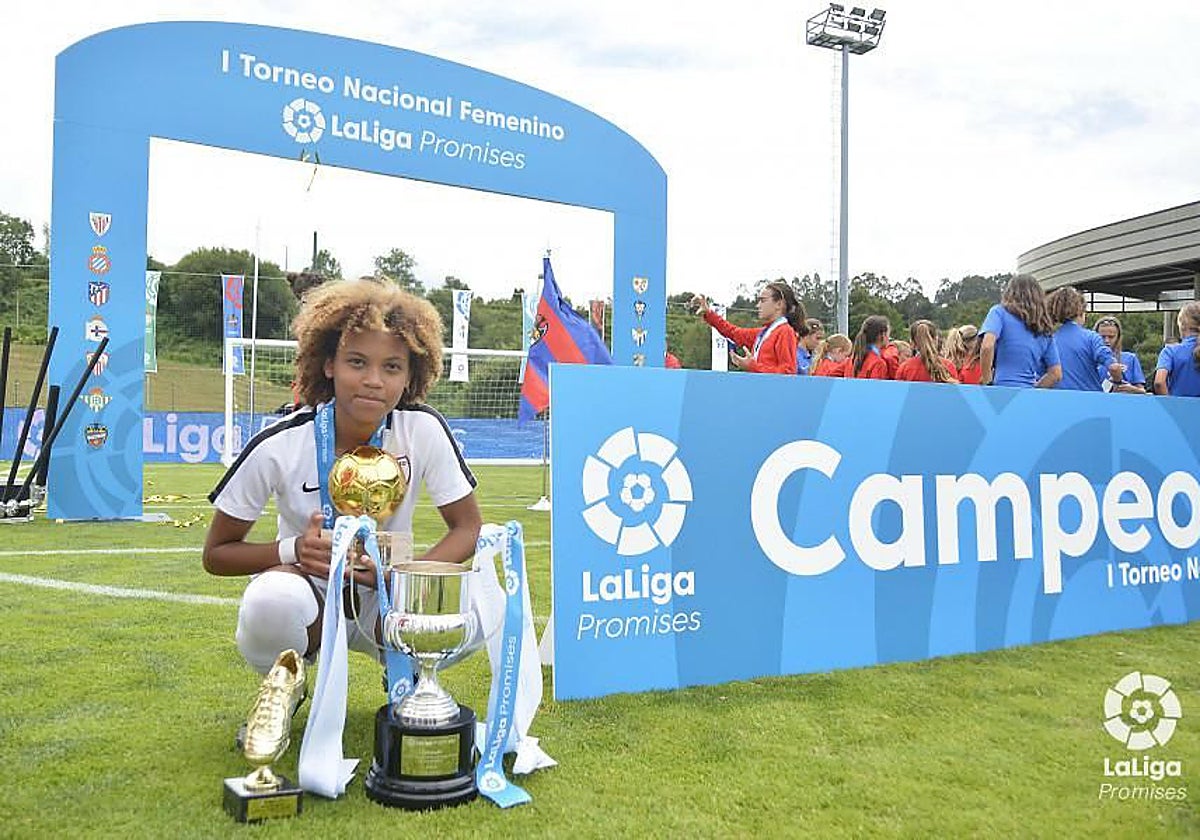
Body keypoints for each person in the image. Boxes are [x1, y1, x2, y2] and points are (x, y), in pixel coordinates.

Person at [203, 277, 483, 680]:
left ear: (409, 376)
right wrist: (294, 550)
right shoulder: (279, 443)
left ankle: (411, 676)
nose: (373, 380)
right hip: (309, 592)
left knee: (482, 600)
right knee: (270, 601)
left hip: (388, 595)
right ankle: (285, 684)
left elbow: (467, 527)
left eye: (391, 367)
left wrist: (400, 577)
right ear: (329, 363)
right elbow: (217, 554)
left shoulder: (421, 429)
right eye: (357, 362)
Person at [692, 282, 807, 375]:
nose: (758, 305)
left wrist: (752, 366)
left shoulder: (784, 331)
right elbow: (733, 332)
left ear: (779, 304)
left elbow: (788, 373)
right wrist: (709, 313)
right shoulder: (764, 333)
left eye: (763, 300)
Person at [979, 275, 1062, 388]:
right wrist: (1035, 391)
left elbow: (987, 346)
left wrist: (987, 382)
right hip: (1027, 396)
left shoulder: (999, 313)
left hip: (1000, 390)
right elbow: (1056, 373)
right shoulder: (1044, 326)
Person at [1046, 286, 1122, 392]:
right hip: (1090, 401)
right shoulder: (1091, 338)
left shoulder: (1049, 340)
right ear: (1081, 311)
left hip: (1057, 400)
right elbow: (1114, 368)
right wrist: (1118, 381)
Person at [1153, 302, 1200, 397]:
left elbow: (1159, 382)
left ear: (1182, 325)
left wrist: (1172, 407)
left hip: (1179, 408)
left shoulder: (1170, 351)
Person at [1094, 316, 1147, 394]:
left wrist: (1130, 389)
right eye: (1102, 337)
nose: (1106, 341)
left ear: (1118, 337)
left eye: (1111, 337)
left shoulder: (1130, 358)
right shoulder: (1089, 360)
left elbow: (1142, 391)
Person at [850, 315, 899, 379]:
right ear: (882, 335)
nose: (889, 339)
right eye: (888, 335)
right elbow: (876, 388)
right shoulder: (878, 363)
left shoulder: (852, 359)